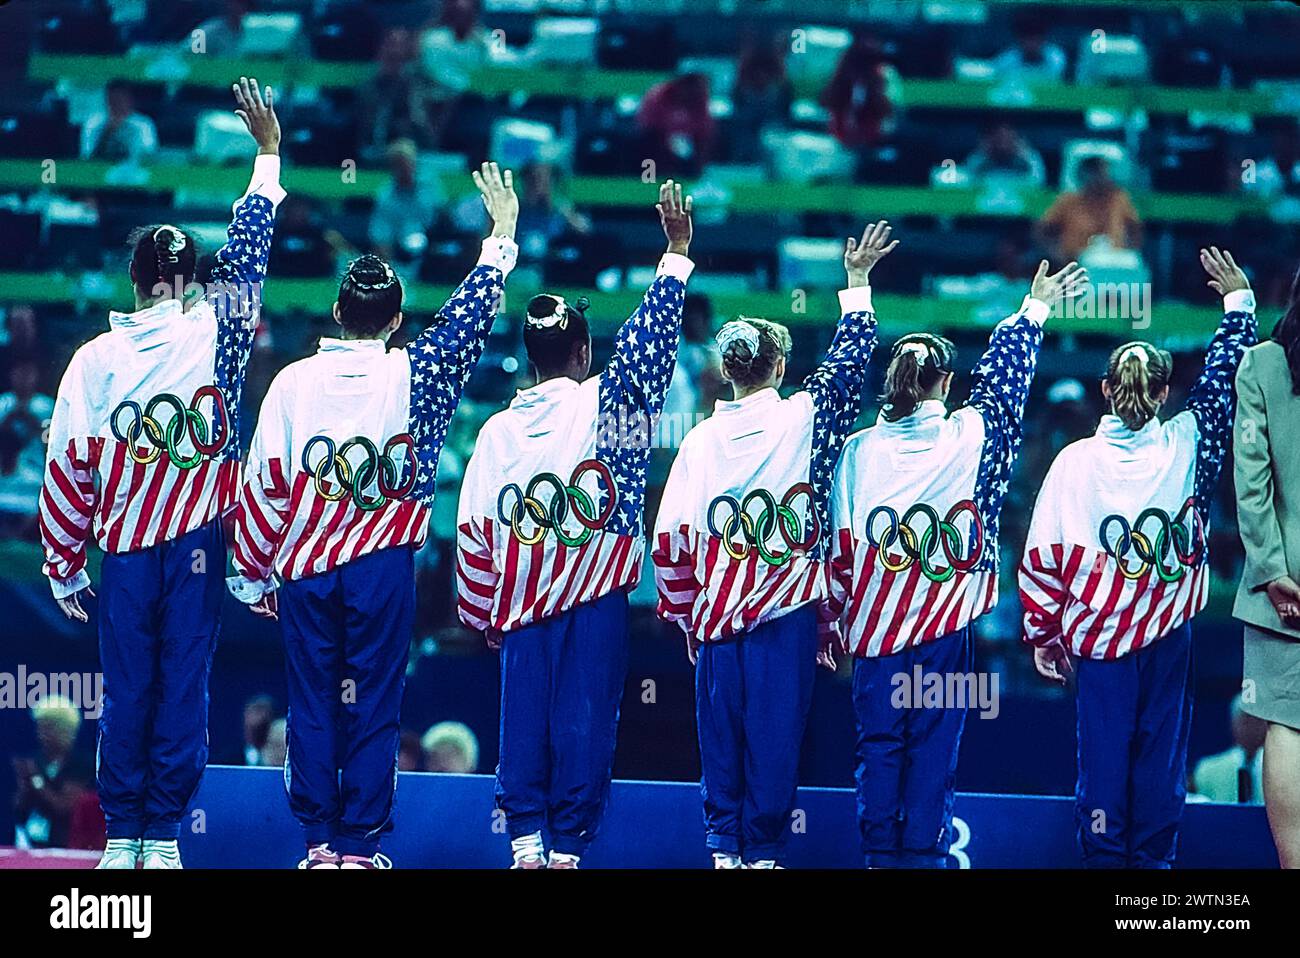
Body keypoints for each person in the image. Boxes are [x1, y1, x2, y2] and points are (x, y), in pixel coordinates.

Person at [228, 162, 519, 870]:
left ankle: (320, 845)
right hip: (380, 568)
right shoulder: (416, 372)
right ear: (395, 321)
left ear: (336, 313)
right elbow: (467, 319)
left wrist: (250, 576)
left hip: (303, 566)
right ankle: (358, 847)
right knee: (373, 702)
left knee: (314, 701)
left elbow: (265, 484)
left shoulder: (294, 382)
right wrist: (500, 238)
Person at [39, 78, 284, 870]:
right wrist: (267, 159)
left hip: (134, 549)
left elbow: (68, 464)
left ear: (138, 279)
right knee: (177, 684)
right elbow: (249, 252)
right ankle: (153, 834)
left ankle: (134, 834)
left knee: (135, 687)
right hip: (192, 545)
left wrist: (64, 560)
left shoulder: (96, 359)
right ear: (182, 281)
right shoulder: (220, 328)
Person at [456, 180, 694, 870]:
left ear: (532, 358)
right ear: (585, 355)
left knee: (523, 723)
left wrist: (485, 617)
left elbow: (473, 532)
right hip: (593, 600)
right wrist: (674, 256)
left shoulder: (498, 431)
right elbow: (650, 347)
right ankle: (565, 854)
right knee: (584, 727)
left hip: (526, 605)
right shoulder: (612, 405)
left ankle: (527, 846)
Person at [826, 259, 1087, 868]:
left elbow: (837, 543)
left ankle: (879, 858)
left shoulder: (855, 450)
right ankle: (919, 856)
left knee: (882, 744)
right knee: (933, 743)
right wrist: (1034, 308)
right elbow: (1005, 378)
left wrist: (834, 618)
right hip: (943, 627)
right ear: (945, 383)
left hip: (874, 631)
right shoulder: (971, 433)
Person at [653, 221, 894, 869]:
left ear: (724, 371)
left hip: (717, 617)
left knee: (721, 739)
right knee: (774, 737)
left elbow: (670, 540)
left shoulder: (701, 439)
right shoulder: (803, 417)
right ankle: (759, 854)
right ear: (781, 367)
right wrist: (858, 284)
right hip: (783, 616)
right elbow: (848, 367)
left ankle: (726, 852)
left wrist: (683, 614)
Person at [1020, 247, 1258, 868]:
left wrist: (1045, 636)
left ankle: (1103, 860)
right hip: (1167, 636)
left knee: (1103, 757)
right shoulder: (1191, 440)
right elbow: (1222, 383)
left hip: (1098, 644)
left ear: (1104, 390)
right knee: (1158, 756)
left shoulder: (1073, 461)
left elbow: (1041, 556)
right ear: (1164, 389)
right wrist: (1239, 304)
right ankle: (1150, 871)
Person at [1232, 261, 1300, 866]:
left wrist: (1273, 571)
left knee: (1287, 721)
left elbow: (1251, 484)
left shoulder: (1260, 364)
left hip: (1287, 583)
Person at [12, 697, 95, 849]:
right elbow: (19, 806)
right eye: (40, 728)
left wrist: (36, 780)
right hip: (31, 841)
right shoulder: (35, 760)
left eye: (48, 728)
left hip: (67, 843)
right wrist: (24, 785)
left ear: (66, 730)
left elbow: (63, 806)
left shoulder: (80, 763)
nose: (41, 734)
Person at [1036, 156, 1142, 261]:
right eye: (1095, 172)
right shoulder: (1068, 200)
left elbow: (1135, 229)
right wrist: (1056, 254)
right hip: (1075, 263)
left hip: (1113, 263)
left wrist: (1129, 254)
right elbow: (1042, 231)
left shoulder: (1119, 199)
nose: (1100, 177)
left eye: (1103, 172)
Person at [1189, 696, 1266, 805]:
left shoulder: (1285, 769)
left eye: (1258, 720)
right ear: (1233, 724)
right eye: (1246, 720)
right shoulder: (1206, 770)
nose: (1252, 727)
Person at [80, 79, 158, 163]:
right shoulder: (93, 123)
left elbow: (150, 156)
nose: (117, 103)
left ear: (130, 99)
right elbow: (87, 158)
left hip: (133, 170)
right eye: (113, 98)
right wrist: (107, 132)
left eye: (121, 98)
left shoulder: (144, 124)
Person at [991, 11, 1068, 83]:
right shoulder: (1005, 61)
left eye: (1035, 39)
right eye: (1027, 39)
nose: (1031, 44)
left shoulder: (1056, 58)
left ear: (1043, 39)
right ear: (1019, 40)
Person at [966, 122, 1046, 187]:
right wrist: (982, 153)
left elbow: (1039, 183)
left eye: (1007, 136)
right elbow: (968, 182)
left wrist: (1027, 156)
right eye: (998, 136)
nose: (1003, 141)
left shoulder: (1028, 157)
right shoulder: (979, 158)